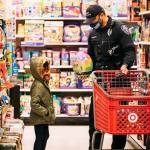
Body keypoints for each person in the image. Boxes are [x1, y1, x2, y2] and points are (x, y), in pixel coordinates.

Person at [84, 4, 135, 150]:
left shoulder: (119, 28)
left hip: (119, 82)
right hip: (100, 84)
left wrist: (125, 65)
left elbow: (130, 51)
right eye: (90, 21)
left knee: (119, 123)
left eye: (94, 19)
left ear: (102, 14)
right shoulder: (92, 34)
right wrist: (85, 71)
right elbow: (90, 58)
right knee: (95, 122)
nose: (92, 23)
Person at [30, 57, 55, 150]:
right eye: (44, 71)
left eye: (47, 70)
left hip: (43, 118)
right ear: (38, 72)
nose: (47, 72)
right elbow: (34, 104)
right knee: (40, 138)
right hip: (39, 117)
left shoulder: (43, 83)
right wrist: (46, 112)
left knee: (45, 136)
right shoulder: (37, 85)